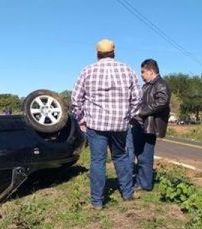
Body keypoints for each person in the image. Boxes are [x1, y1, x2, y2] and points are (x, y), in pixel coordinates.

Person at [71, 38, 142, 209]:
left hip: (96, 125)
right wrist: (127, 116)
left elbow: (75, 99)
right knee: (121, 157)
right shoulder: (127, 69)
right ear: (114, 52)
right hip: (120, 125)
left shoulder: (87, 71)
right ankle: (127, 193)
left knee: (97, 161)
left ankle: (97, 201)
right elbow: (138, 99)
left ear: (97, 54)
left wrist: (81, 120)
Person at [131, 58, 171, 191]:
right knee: (139, 153)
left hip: (149, 126)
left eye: (143, 72)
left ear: (151, 71)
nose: (141, 75)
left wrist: (142, 112)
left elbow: (162, 101)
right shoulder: (147, 85)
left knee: (145, 155)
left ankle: (145, 184)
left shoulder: (161, 84)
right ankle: (140, 180)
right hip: (140, 124)